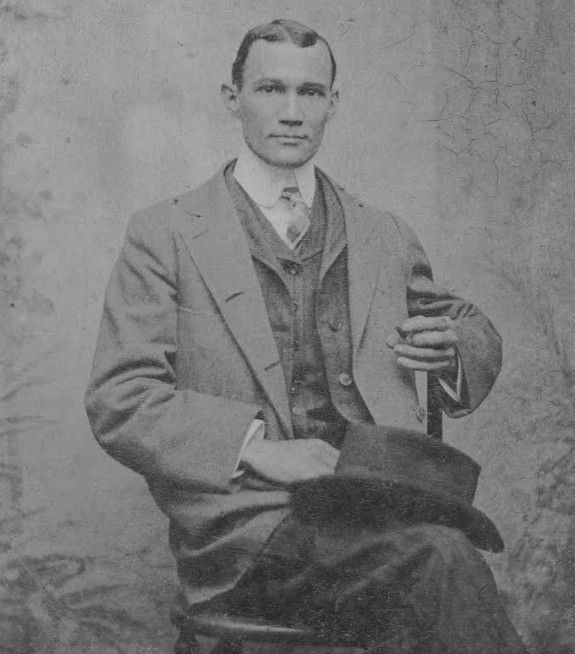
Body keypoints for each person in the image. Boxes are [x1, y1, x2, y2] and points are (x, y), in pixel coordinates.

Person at [85, 19, 526, 653]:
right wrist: (256, 448)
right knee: (441, 560)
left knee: (438, 558)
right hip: (248, 529)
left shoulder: (383, 234)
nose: (292, 112)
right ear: (233, 98)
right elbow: (120, 398)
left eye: (311, 93)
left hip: (377, 504)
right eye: (271, 89)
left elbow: (462, 320)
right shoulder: (167, 234)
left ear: (333, 103)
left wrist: (454, 347)